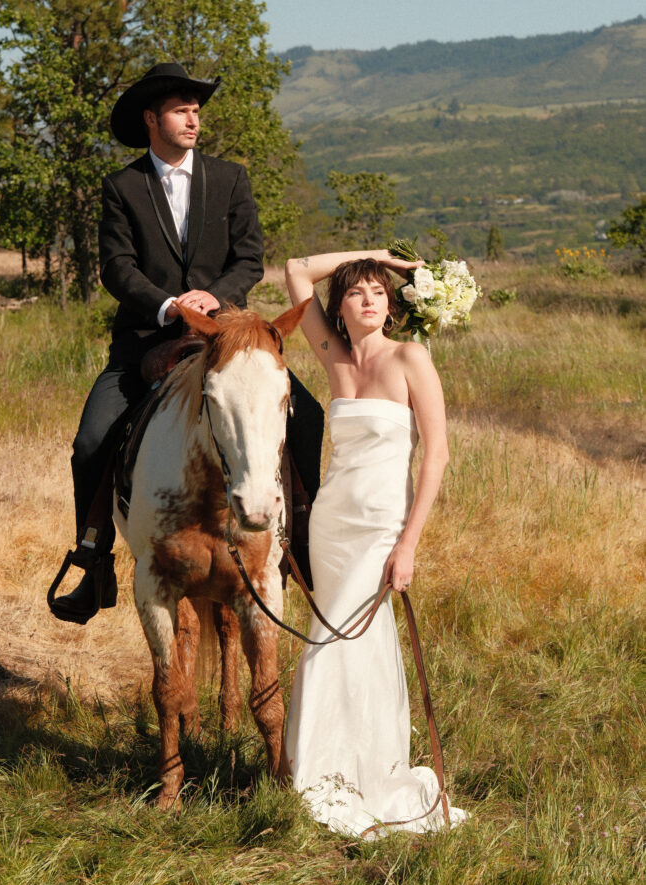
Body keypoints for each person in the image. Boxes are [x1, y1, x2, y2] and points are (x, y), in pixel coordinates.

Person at [50, 63, 323, 624]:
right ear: (152, 120)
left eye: (197, 110)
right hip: (145, 340)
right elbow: (115, 267)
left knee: (309, 416)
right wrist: (169, 304)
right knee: (90, 441)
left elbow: (248, 257)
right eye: (181, 110)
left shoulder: (230, 179)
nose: (194, 119)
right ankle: (94, 559)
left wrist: (213, 298)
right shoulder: (122, 186)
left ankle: (304, 548)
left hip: (226, 337)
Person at [283, 249, 466, 837]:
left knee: (343, 638)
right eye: (357, 292)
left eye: (379, 291)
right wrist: (376, 255)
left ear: (392, 305)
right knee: (333, 638)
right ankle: (330, 769)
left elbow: (435, 455)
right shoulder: (334, 358)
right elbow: (293, 269)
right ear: (338, 307)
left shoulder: (411, 357)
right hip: (333, 525)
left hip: (382, 527)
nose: (369, 300)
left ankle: (343, 774)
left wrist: (408, 545)